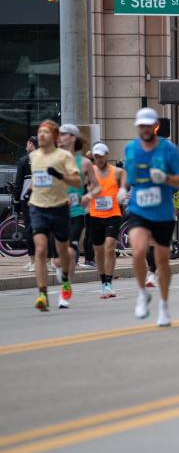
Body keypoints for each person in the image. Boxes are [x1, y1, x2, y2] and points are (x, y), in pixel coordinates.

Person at [124, 108, 179, 326]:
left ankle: (164, 305)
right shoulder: (131, 148)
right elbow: (128, 173)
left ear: (154, 127)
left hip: (162, 212)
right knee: (139, 250)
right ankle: (142, 292)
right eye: (140, 126)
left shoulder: (168, 149)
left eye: (148, 125)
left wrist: (166, 178)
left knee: (162, 260)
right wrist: (123, 189)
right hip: (139, 209)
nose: (144, 129)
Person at [29, 121, 82, 311]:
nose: (41, 135)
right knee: (41, 250)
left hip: (59, 208)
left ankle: (66, 280)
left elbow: (76, 180)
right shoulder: (33, 156)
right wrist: (31, 190)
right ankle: (42, 294)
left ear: (54, 136)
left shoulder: (64, 156)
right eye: (39, 132)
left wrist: (60, 176)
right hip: (38, 208)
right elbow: (37, 179)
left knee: (62, 251)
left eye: (46, 132)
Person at [59, 124, 101, 271]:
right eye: (60, 134)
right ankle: (62, 268)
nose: (61, 137)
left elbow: (96, 186)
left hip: (76, 211)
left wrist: (88, 196)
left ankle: (66, 282)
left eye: (64, 134)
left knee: (71, 247)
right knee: (59, 253)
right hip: (57, 210)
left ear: (73, 138)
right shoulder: (54, 160)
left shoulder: (84, 163)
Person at [88, 143, 127, 298]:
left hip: (113, 214)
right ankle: (103, 282)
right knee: (98, 252)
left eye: (101, 156)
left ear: (107, 156)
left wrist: (123, 191)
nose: (99, 159)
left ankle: (109, 283)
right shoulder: (90, 171)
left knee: (109, 247)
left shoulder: (117, 172)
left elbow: (124, 183)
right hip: (95, 215)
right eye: (96, 156)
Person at [14, 136, 37, 272]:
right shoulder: (45, 159)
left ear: (31, 144)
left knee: (29, 229)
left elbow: (18, 184)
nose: (25, 146)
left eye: (27, 143)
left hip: (27, 199)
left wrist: (16, 200)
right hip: (43, 199)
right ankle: (47, 261)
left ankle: (33, 261)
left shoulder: (23, 161)